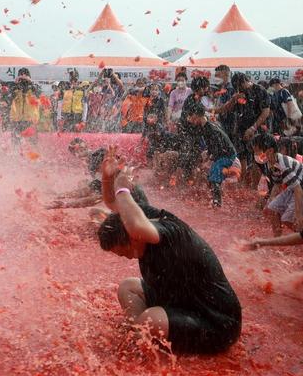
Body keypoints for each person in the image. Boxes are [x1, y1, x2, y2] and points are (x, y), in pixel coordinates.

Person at [97, 146, 242, 354]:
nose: (127, 257)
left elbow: (133, 222)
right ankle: (140, 335)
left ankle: (143, 334)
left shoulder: (168, 230)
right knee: (127, 288)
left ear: (131, 236)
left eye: (124, 252)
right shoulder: (143, 216)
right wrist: (107, 177)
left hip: (216, 322)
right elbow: (112, 203)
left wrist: (122, 188)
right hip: (180, 302)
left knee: (151, 319)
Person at [215, 73, 270, 182]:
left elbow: (265, 112)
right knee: (241, 156)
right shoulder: (238, 93)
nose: (239, 89)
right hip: (240, 130)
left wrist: (253, 128)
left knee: (257, 158)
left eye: (240, 86)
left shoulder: (260, 91)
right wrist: (233, 100)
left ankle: (255, 186)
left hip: (257, 129)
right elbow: (226, 108)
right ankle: (242, 183)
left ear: (245, 81)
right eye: (237, 88)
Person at [185, 103, 237, 207]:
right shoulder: (206, 126)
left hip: (227, 156)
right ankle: (215, 197)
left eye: (192, 116)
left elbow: (219, 147)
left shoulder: (211, 129)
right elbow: (211, 146)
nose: (190, 119)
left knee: (214, 176)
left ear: (197, 115)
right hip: (222, 154)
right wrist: (208, 155)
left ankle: (217, 203)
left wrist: (210, 159)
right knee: (210, 175)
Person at [252, 133, 303, 237]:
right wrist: (270, 199)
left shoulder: (282, 164)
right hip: (294, 188)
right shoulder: (270, 163)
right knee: (271, 209)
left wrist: (299, 214)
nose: (255, 154)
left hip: (299, 188)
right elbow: (277, 184)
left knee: (287, 219)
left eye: (257, 151)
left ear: (270, 151)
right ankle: (277, 240)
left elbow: (298, 190)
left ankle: (298, 236)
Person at [9, 68, 40, 142]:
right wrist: (16, 85)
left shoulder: (34, 87)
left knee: (32, 144)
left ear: (29, 76)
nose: (23, 77)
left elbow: (38, 94)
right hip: (16, 120)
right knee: (16, 143)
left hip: (30, 120)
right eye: (21, 75)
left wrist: (30, 82)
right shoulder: (15, 87)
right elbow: (9, 98)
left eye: (25, 75)